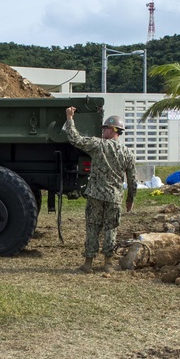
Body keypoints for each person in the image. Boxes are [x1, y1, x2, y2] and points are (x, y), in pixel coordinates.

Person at [63, 106, 137, 273]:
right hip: (115, 197)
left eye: (105, 128)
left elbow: (75, 139)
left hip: (96, 194)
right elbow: (132, 180)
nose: (102, 130)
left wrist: (69, 118)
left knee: (93, 227)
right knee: (111, 228)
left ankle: (88, 263)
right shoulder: (128, 153)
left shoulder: (98, 145)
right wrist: (130, 199)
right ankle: (108, 263)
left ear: (113, 130)